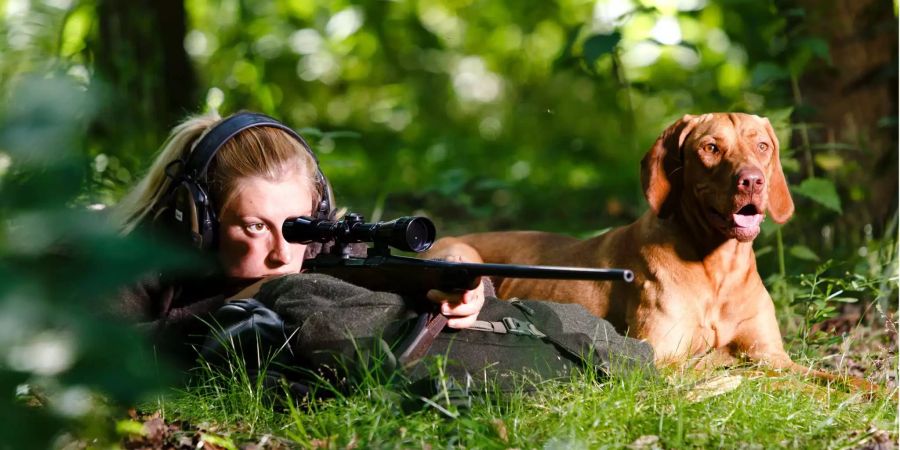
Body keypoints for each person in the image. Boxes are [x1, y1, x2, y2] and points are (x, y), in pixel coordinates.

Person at [111, 111, 653, 396]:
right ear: (201, 220)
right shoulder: (138, 256)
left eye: (295, 225)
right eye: (254, 227)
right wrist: (247, 300)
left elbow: (415, 272)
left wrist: (463, 282)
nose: (283, 252)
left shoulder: (320, 245)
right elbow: (87, 350)